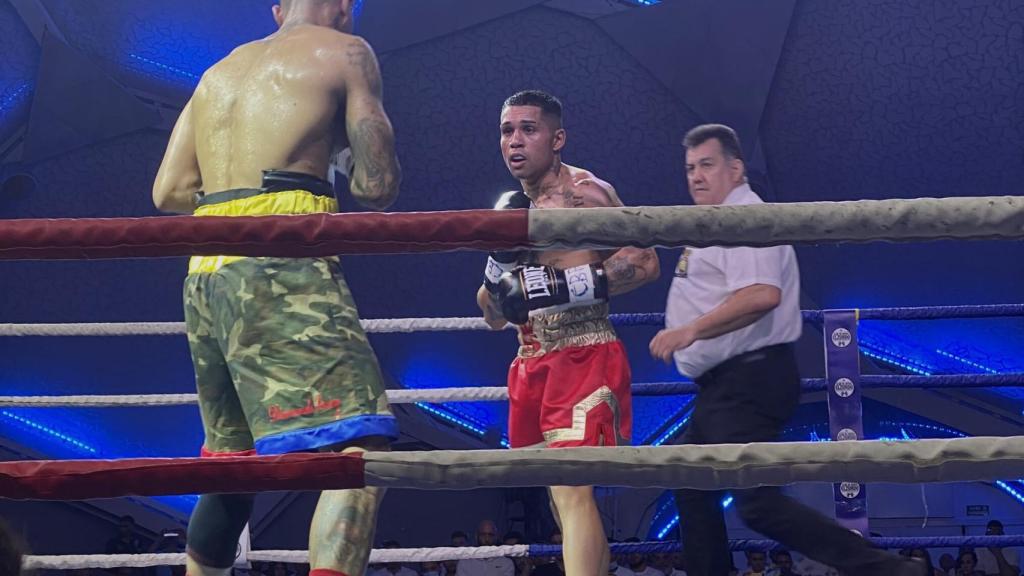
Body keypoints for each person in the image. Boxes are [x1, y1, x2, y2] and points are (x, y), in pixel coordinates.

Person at [151, 1, 401, 575]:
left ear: (276, 8)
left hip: (206, 272)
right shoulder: (346, 52)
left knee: (230, 465)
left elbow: (168, 191)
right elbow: (378, 184)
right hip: (281, 259)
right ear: (343, 6)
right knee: (359, 454)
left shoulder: (218, 71)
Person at [648, 123, 923, 576]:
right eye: (690, 167)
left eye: (707, 165)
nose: (695, 176)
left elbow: (761, 294)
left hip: (747, 379)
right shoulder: (718, 221)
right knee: (688, 481)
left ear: (735, 169)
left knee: (756, 503)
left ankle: (887, 569)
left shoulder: (744, 216)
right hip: (726, 386)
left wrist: (689, 331)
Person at [476, 90, 660, 576]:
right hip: (530, 359)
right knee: (566, 503)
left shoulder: (586, 193)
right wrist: (501, 273)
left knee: (571, 491)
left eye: (528, 129)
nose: (514, 141)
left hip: (584, 352)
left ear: (557, 138)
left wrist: (557, 286)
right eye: (506, 130)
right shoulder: (509, 209)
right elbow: (493, 314)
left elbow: (644, 261)